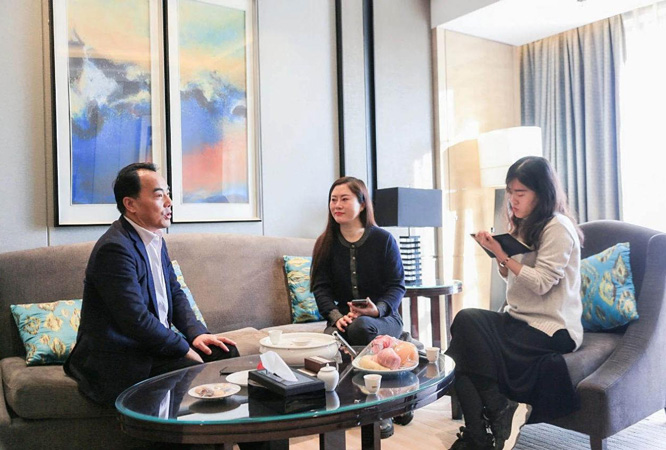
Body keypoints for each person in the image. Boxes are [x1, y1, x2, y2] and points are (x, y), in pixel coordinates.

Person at [64, 162, 239, 406]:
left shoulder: (155, 238)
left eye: (168, 193)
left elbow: (175, 292)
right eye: (159, 195)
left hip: (152, 346)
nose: (169, 202)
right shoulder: (114, 249)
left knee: (225, 352)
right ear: (130, 204)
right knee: (187, 367)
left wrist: (196, 333)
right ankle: (191, 428)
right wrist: (182, 348)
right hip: (123, 356)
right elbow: (135, 319)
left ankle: (233, 425)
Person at [446, 156, 584, 450]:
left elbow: (542, 282)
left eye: (520, 192)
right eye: (510, 192)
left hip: (552, 327)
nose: (513, 199)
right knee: (464, 324)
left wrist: (503, 255)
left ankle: (481, 433)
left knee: (467, 352)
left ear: (542, 193)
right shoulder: (525, 224)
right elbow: (512, 277)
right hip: (519, 319)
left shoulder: (557, 227)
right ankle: (488, 422)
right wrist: (498, 255)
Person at [310, 176, 406, 438]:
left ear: (362, 204)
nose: (337, 205)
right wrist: (336, 316)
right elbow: (320, 288)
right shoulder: (325, 242)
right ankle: (342, 408)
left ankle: (381, 409)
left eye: (344, 199)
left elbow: (397, 286)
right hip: (344, 321)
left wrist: (378, 309)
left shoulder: (383, 239)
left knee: (362, 327)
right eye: (333, 200)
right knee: (328, 342)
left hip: (384, 318)